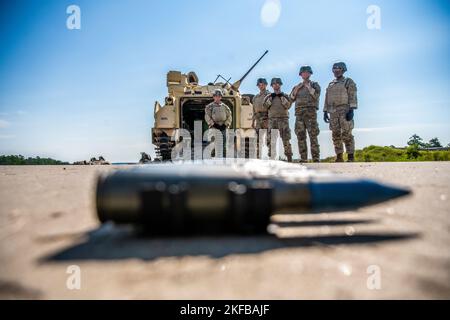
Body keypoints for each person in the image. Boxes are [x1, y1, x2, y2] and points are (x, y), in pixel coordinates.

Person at [323, 62, 358, 162]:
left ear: (343, 70)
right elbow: (327, 98)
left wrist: (352, 109)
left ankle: (351, 156)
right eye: (334, 69)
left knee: (347, 134)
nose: (336, 71)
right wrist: (325, 111)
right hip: (333, 112)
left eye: (338, 69)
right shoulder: (331, 84)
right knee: (335, 135)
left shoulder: (348, 82)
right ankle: (339, 156)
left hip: (345, 110)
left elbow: (352, 95)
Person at [290, 66, 321, 162]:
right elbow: (291, 99)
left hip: (310, 113)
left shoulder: (315, 85)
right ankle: (303, 158)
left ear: (310, 73)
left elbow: (316, 96)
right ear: (301, 74)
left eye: (307, 72)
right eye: (303, 72)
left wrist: (309, 87)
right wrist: (296, 90)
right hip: (299, 114)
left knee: (313, 135)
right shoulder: (297, 87)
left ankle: (316, 158)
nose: (305, 74)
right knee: (300, 136)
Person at [264, 78, 293, 162]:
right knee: (272, 140)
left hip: (283, 120)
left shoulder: (285, 96)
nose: (276, 85)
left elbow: (288, 106)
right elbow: (265, 106)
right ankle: (272, 158)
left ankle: (289, 157)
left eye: (277, 84)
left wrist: (281, 97)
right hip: (272, 120)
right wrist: (271, 99)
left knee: (286, 139)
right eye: (274, 84)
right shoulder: (268, 96)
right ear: (272, 86)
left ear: (280, 85)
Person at [205, 89, 232, 156]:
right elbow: (207, 116)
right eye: (216, 96)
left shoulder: (225, 107)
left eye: (219, 96)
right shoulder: (210, 106)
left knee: (224, 142)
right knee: (214, 142)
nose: (217, 97)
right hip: (214, 127)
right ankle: (213, 155)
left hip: (223, 127)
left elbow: (229, 116)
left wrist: (226, 124)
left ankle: (224, 155)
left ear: (221, 97)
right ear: (213, 97)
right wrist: (213, 124)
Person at [252, 78, 270, 157]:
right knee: (257, 139)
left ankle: (272, 155)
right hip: (258, 119)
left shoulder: (269, 95)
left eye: (262, 84)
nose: (261, 86)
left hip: (267, 118)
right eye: (259, 85)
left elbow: (272, 108)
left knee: (269, 139)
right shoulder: (255, 97)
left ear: (266, 85)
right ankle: (257, 156)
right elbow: (254, 110)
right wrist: (252, 122)